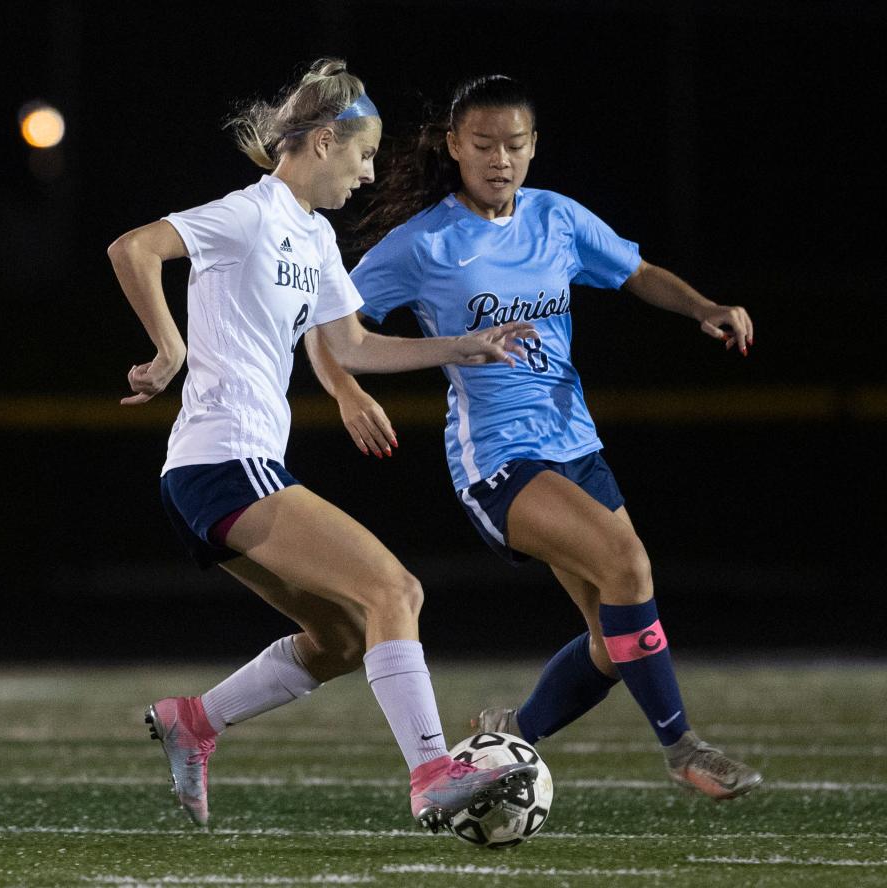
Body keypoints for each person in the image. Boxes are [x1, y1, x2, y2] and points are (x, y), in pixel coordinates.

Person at [107, 59, 539, 832]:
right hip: (220, 458)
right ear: (324, 141)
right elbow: (133, 248)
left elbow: (354, 345)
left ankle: (195, 722)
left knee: (340, 637)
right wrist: (168, 349)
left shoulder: (314, 235)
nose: (369, 173)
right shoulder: (249, 213)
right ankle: (434, 775)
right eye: (364, 155)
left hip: (228, 469)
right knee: (395, 592)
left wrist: (463, 347)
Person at [305, 73, 762, 800]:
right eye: (482, 144)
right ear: (454, 147)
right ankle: (683, 749)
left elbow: (636, 271)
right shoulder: (426, 243)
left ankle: (512, 731)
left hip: (575, 443)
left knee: (614, 644)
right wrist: (349, 390)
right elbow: (330, 327)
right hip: (497, 457)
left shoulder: (556, 219)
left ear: (534, 147)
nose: (499, 159)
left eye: (514, 145)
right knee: (629, 565)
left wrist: (704, 306)